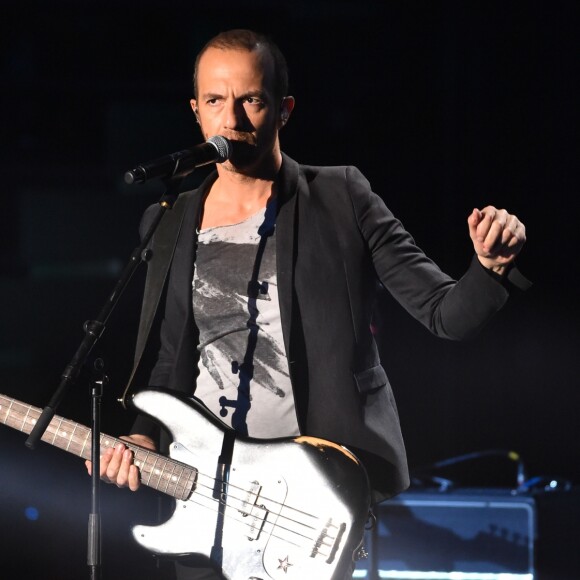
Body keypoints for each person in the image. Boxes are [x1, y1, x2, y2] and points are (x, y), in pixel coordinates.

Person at [86, 29, 527, 580]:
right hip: (207, 493)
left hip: (311, 494)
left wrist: (489, 269)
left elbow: (445, 313)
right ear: (196, 112)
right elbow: (173, 355)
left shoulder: (341, 197)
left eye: (251, 100)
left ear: (283, 109)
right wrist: (143, 434)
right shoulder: (170, 218)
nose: (233, 122)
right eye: (216, 102)